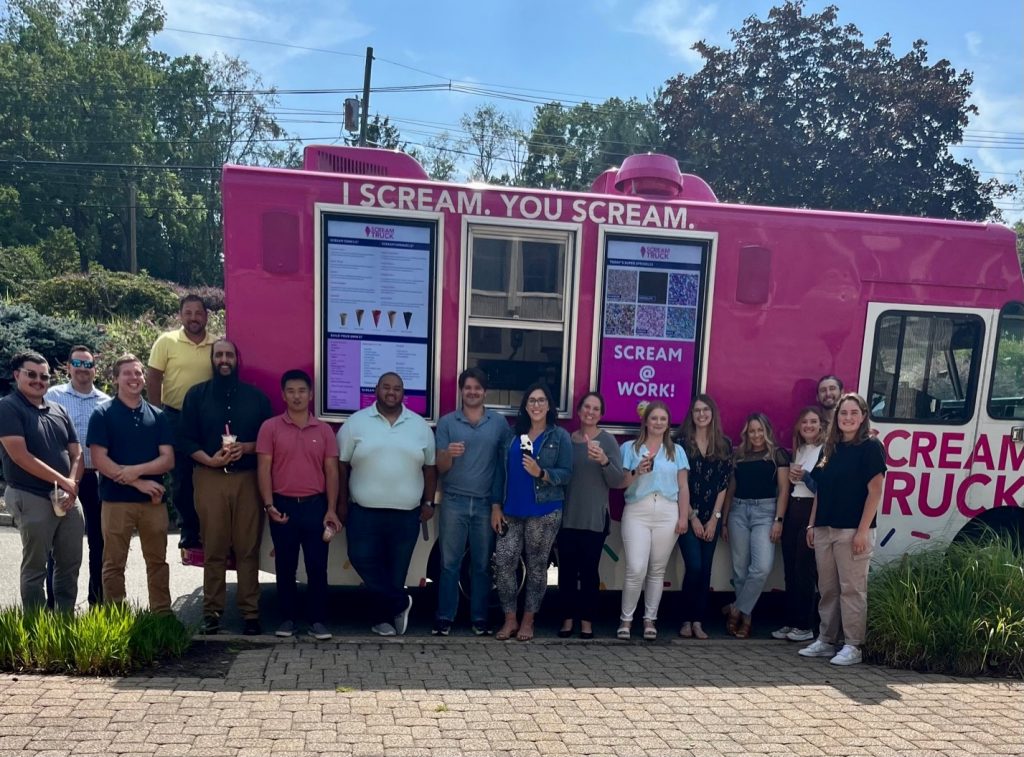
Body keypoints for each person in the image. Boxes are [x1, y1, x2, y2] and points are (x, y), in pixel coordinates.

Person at [181, 339, 272, 636]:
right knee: (215, 547)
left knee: (248, 548)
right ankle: (212, 614)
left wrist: (246, 447)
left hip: (247, 479)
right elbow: (185, 439)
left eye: (229, 355)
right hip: (210, 477)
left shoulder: (256, 398)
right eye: (219, 354)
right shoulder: (196, 396)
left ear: (237, 359)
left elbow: (272, 441)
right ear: (212, 359)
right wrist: (210, 459)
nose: (224, 359)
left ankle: (250, 613)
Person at [338, 372, 437, 637]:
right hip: (363, 511)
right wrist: (341, 505)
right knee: (360, 558)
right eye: (386, 387)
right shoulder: (355, 424)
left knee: (396, 571)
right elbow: (341, 466)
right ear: (376, 390)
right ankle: (400, 602)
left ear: (404, 393)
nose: (391, 392)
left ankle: (383, 620)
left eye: (397, 388)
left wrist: (428, 501)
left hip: (406, 514)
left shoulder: (420, 427)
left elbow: (430, 468)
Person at [800, 393, 886, 666]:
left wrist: (863, 531)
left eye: (853, 413)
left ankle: (853, 645)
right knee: (827, 588)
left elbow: (875, 491)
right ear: (837, 418)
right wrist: (813, 523)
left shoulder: (871, 447)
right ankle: (826, 640)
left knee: (852, 589)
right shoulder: (829, 447)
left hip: (852, 531)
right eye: (843, 413)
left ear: (862, 417)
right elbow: (820, 490)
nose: (847, 418)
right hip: (825, 528)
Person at [257, 369, 341, 640]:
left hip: (316, 506)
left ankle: (317, 621)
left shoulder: (325, 430)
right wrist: (269, 506)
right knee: (285, 565)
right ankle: (288, 619)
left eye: (302, 391)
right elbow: (264, 469)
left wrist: (331, 508)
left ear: (311, 394)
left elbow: (331, 472)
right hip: (282, 506)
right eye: (291, 391)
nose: (296, 396)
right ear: (283, 395)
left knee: (318, 566)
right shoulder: (270, 428)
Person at [87, 354, 175, 613]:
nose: (134, 378)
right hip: (116, 502)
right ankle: (116, 616)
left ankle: (162, 614)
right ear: (115, 379)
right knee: (113, 562)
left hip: (153, 502)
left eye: (138, 373)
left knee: (158, 561)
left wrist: (135, 472)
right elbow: (99, 460)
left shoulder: (157, 416)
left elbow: (167, 459)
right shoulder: (102, 413)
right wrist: (139, 483)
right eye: (127, 373)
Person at [0, 351, 85, 611]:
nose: (39, 380)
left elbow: (77, 452)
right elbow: (20, 456)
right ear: (17, 375)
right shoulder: (8, 407)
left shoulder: (58, 409)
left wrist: (71, 485)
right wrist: (65, 481)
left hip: (67, 498)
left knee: (69, 565)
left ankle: (64, 622)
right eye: (31, 374)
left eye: (44, 376)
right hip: (30, 495)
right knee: (36, 567)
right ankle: (36, 627)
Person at [491, 383, 572, 642]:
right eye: (531, 401)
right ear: (525, 406)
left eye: (541, 400)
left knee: (537, 568)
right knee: (503, 564)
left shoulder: (559, 437)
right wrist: (495, 506)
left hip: (544, 510)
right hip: (511, 511)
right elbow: (499, 473)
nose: (536, 405)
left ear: (549, 406)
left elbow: (567, 473)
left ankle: (528, 621)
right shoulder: (513, 436)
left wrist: (542, 473)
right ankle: (510, 619)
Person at [432, 367, 509, 636]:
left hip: (486, 503)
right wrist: (448, 455)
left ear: (485, 392)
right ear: (461, 391)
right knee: (449, 563)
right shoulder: (447, 423)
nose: (473, 392)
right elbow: (439, 468)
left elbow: (503, 466)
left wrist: (498, 504)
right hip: (454, 501)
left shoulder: (498, 424)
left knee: (481, 565)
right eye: (468, 388)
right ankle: (444, 617)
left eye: (478, 388)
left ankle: (479, 619)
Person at [146, 294, 217, 549]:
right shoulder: (166, 341)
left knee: (210, 475)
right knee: (182, 477)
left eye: (198, 313)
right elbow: (153, 378)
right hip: (174, 416)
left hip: (208, 421)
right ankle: (189, 529)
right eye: (188, 313)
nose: (193, 318)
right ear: (180, 316)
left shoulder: (216, 345)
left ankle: (213, 529)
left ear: (206, 316)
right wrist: (155, 415)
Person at [616, 400, 690, 641]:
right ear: (646, 421)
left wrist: (683, 517)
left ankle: (650, 620)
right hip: (637, 510)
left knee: (657, 571)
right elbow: (619, 483)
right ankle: (626, 620)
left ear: (668, 424)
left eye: (663, 419)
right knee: (636, 568)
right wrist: (638, 471)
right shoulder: (629, 448)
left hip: (667, 513)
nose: (658, 422)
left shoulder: (676, 451)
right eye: (654, 418)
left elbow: (683, 486)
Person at [44, 345, 110, 606]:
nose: (83, 369)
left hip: (95, 479)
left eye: (88, 365)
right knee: (58, 546)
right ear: (68, 367)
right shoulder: (52, 396)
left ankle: (97, 604)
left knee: (99, 545)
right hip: (62, 479)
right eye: (78, 364)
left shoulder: (105, 401)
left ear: (95, 369)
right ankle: (55, 607)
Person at [558, 391, 623, 639]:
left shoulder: (607, 441)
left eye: (596, 408)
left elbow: (617, 481)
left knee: (588, 573)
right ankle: (567, 620)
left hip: (594, 519)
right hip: (567, 517)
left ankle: (586, 622)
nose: (591, 412)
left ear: (601, 414)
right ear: (578, 410)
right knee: (566, 573)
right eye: (587, 407)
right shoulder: (567, 440)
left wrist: (605, 461)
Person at [721, 412, 790, 639]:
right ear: (746, 433)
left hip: (766, 512)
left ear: (767, 431)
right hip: (738, 511)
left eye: (760, 430)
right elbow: (731, 489)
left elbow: (783, 490)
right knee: (740, 571)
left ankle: (736, 608)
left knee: (760, 568)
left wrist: (778, 520)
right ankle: (746, 618)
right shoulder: (738, 455)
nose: (756, 434)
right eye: (752, 431)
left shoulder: (777, 455)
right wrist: (724, 520)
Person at [675, 394, 732, 640]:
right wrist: (693, 518)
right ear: (691, 415)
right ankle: (685, 619)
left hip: (712, 517)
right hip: (687, 514)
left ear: (712, 413)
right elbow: (678, 483)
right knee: (694, 567)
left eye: (705, 410)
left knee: (706, 569)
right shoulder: (680, 443)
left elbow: (724, 484)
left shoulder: (724, 444)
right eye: (697, 410)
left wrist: (715, 519)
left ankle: (698, 621)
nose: (701, 414)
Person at [772, 406, 827, 643]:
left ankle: (804, 625)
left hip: (810, 510)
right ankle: (790, 621)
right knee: (791, 570)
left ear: (821, 425)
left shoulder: (826, 451)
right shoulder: (801, 449)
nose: (809, 426)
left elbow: (822, 488)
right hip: (794, 507)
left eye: (813, 422)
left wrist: (803, 476)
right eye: (804, 422)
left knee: (805, 570)